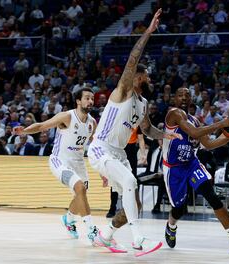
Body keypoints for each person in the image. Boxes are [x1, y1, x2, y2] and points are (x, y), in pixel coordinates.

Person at [87, 9, 181, 257]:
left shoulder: (142, 103)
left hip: (117, 153)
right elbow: (132, 58)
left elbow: (148, 129)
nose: (148, 77)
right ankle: (138, 239)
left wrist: (166, 135)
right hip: (101, 147)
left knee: (134, 201)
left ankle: (105, 235)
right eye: (145, 74)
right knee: (130, 182)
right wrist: (148, 32)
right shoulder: (124, 90)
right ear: (138, 76)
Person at [13, 88, 110, 248]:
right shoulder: (67, 116)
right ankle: (92, 231)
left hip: (78, 163)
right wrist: (24, 130)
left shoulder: (92, 123)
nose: (90, 101)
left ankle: (69, 219)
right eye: (87, 98)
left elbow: (95, 147)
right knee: (80, 188)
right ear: (78, 101)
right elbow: (42, 125)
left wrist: (102, 172)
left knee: (80, 194)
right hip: (60, 161)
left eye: (92, 99)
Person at [163, 87, 229, 252]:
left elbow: (209, 144)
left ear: (191, 99)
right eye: (180, 95)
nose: (183, 97)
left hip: (191, 164)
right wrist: (221, 124)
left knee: (212, 197)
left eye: (187, 95)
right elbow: (195, 133)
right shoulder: (174, 113)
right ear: (174, 99)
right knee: (179, 209)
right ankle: (171, 226)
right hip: (174, 169)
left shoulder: (195, 121)